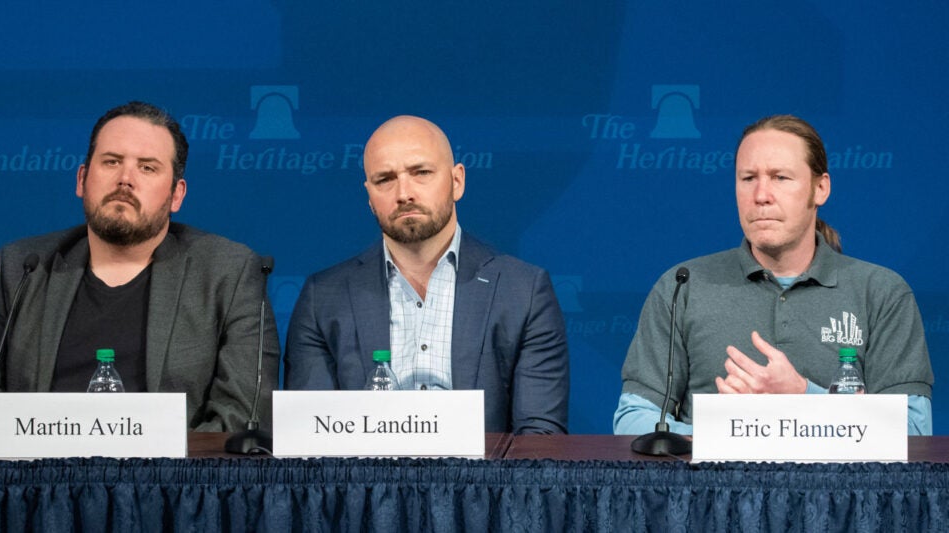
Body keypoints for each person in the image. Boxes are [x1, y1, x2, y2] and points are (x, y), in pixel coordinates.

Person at [0, 101, 279, 433]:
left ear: (176, 195)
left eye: (147, 167)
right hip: (38, 465)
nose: (125, 179)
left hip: (170, 467)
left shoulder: (228, 273)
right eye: (111, 162)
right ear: (82, 179)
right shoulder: (20, 269)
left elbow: (239, 420)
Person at [614, 114, 934, 436]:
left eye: (780, 177)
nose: (761, 195)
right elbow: (633, 420)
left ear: (820, 188)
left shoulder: (881, 293)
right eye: (748, 178)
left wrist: (803, 396)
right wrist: (728, 436)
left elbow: (914, 431)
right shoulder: (682, 286)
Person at [284, 115, 569, 434]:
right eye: (385, 179)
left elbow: (539, 438)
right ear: (369, 196)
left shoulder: (523, 292)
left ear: (457, 181)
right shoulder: (323, 298)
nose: (404, 193)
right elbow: (309, 437)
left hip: (484, 469)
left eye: (421, 173)